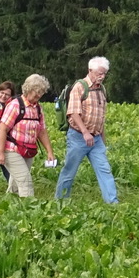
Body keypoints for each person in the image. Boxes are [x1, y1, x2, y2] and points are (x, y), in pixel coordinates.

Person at [54, 57, 119, 203]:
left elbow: (101, 116)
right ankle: (61, 201)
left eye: (104, 74)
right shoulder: (80, 87)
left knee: (105, 170)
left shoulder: (101, 89)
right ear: (90, 71)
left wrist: (102, 137)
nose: (102, 77)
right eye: (99, 73)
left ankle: (112, 202)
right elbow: (73, 113)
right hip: (78, 136)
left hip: (96, 138)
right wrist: (85, 132)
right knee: (70, 170)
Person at [0, 74, 56, 198]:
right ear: (28, 89)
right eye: (36, 92)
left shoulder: (38, 108)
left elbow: (42, 131)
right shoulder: (15, 105)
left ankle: (8, 209)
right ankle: (29, 212)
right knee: (25, 182)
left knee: (16, 186)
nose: (38, 95)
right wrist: (0, 152)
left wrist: (50, 152)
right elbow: (3, 128)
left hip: (28, 150)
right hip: (11, 149)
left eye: (41, 92)